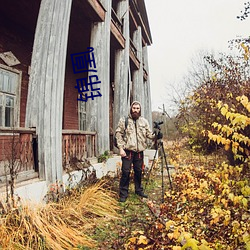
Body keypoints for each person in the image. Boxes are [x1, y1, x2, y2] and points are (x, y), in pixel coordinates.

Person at [115, 101, 159, 202]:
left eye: (137, 108)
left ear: (140, 110)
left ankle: (138, 190)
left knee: (138, 171)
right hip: (127, 151)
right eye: (134, 108)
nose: (135, 110)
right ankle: (123, 193)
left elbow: (149, 134)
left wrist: (156, 135)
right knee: (125, 172)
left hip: (139, 151)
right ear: (131, 109)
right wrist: (121, 148)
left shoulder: (144, 121)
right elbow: (118, 134)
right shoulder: (124, 120)